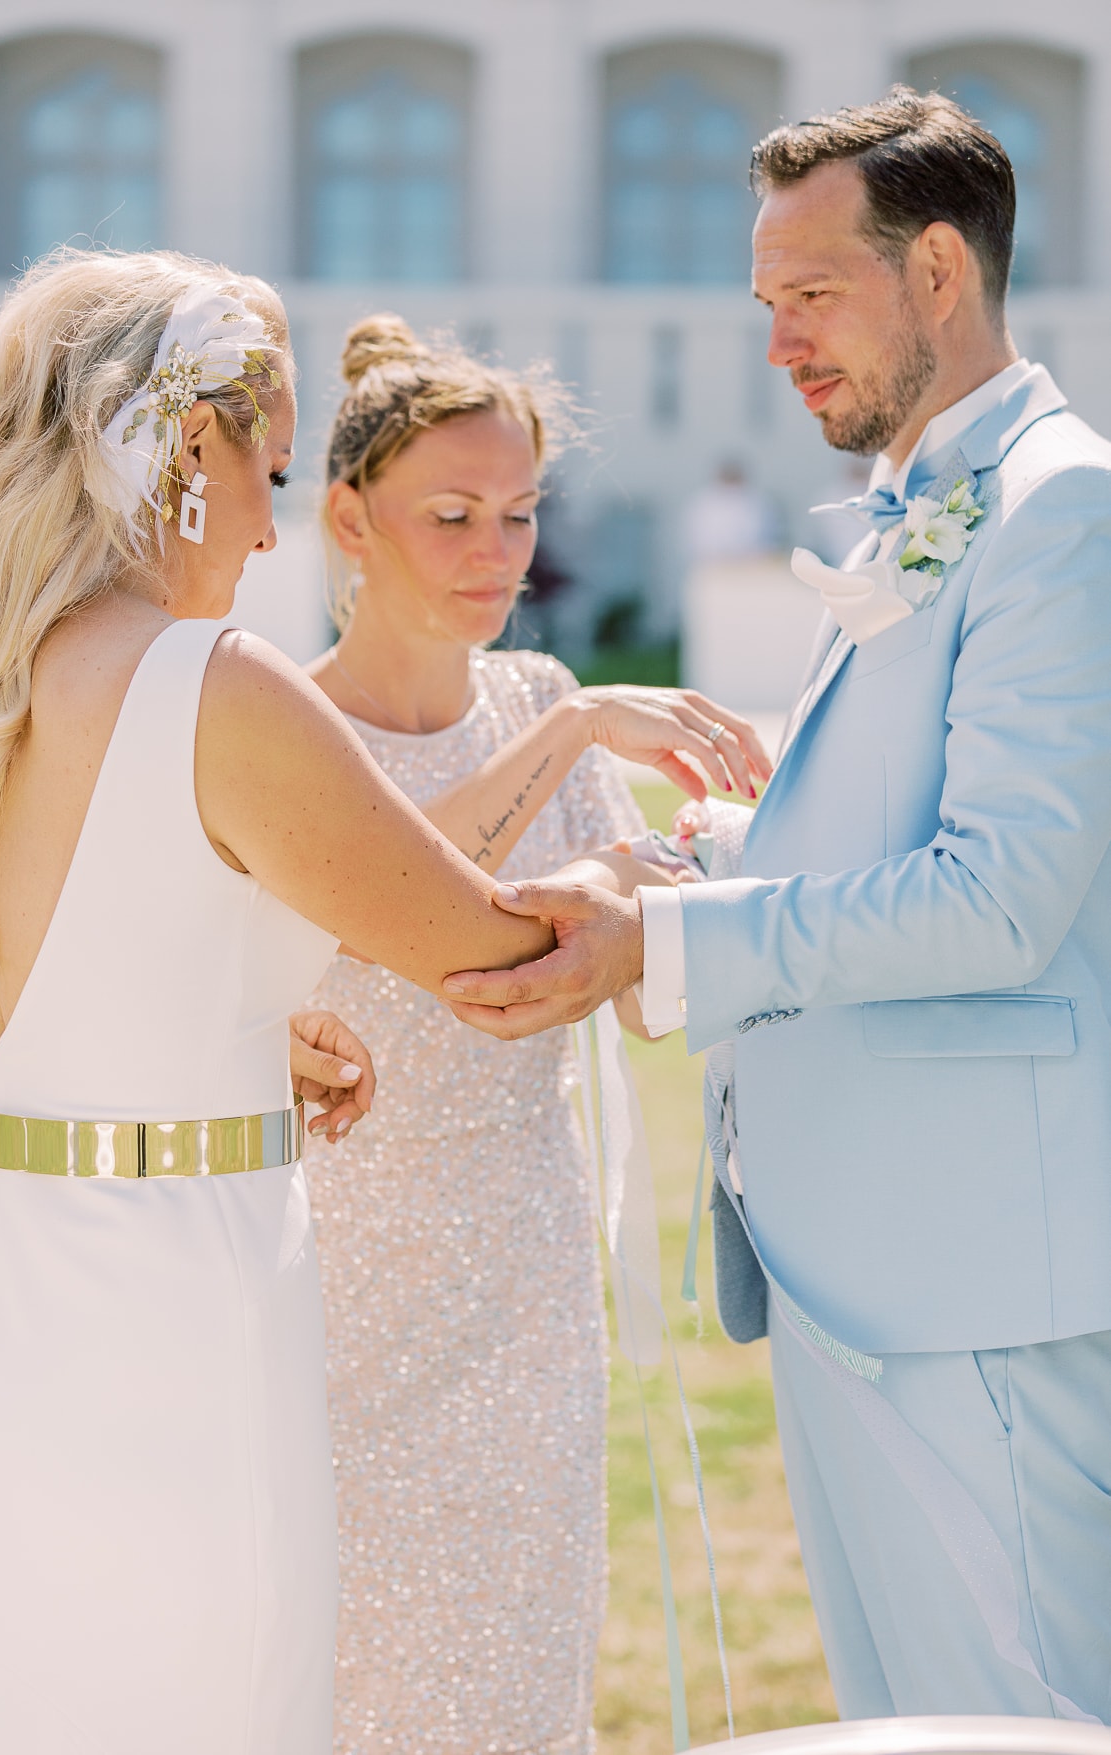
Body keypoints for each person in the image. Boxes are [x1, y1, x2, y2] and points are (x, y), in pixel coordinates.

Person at [444, 89, 1111, 1724]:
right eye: (764, 305)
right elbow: (889, 832)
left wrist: (666, 947)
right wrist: (704, 853)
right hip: (857, 1276)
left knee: (1012, 1722)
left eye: (807, 296)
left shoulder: (1055, 510)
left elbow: (999, 897)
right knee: (915, 1721)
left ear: (937, 270)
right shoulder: (926, 506)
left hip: (975, 1287)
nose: (774, 344)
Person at [0, 248, 583, 1754]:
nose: (273, 521)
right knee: (214, 1693)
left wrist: (217, 1021)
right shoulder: (213, 681)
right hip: (180, 1306)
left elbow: (62, 957)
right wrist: (676, 899)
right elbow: (478, 947)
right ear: (182, 448)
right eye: (269, 468)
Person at [302, 314, 770, 1752]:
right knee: (351, 1652)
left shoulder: (531, 691)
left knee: (517, 1641)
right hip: (338, 1263)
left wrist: (673, 879)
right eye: (448, 515)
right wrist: (568, 753)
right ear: (345, 521)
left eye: (515, 515)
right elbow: (397, 907)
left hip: (523, 1253)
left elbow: (611, 980)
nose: (492, 550)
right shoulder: (287, 727)